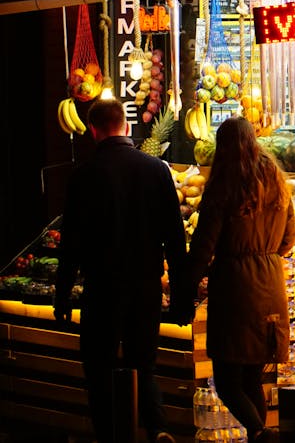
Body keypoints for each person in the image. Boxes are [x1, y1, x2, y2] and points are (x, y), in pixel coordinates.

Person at [54, 98, 186, 443]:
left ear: (93, 131)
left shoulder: (83, 176)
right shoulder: (157, 170)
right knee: (144, 365)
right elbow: (175, 239)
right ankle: (158, 429)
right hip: (145, 286)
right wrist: (181, 297)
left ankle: (110, 436)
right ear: (127, 127)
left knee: (99, 369)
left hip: (101, 288)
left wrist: (62, 295)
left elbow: (70, 244)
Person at [185, 116, 295, 443]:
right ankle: (259, 436)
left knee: (227, 381)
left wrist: (187, 285)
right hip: (271, 285)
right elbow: (289, 240)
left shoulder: (225, 184)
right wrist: (265, 255)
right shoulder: (276, 179)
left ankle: (261, 434)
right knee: (251, 379)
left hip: (236, 290)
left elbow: (204, 246)